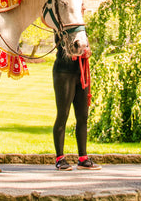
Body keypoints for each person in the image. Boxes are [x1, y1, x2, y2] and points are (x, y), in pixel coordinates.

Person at [51, 17, 100, 172]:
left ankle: (83, 158)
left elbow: (86, 46)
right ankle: (60, 158)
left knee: (83, 116)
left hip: (81, 71)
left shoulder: (83, 26)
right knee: (63, 115)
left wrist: (88, 51)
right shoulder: (61, 21)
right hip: (64, 71)